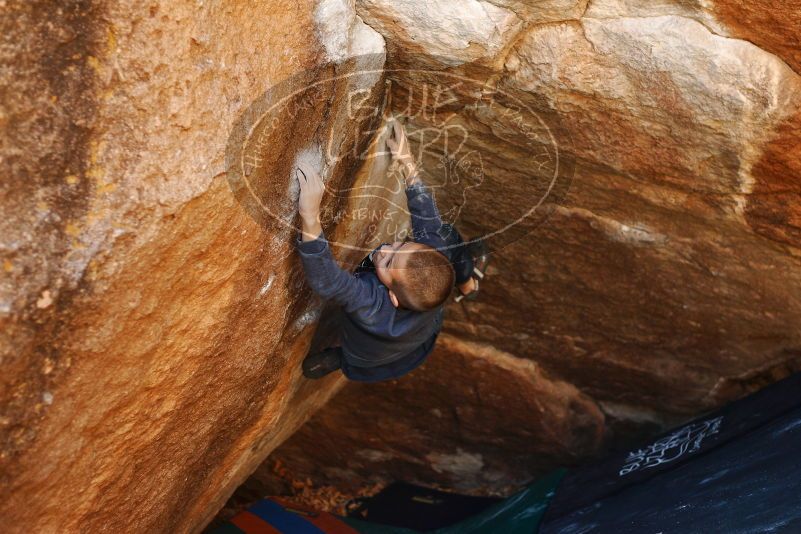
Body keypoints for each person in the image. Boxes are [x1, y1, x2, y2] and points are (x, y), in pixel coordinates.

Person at [295, 120, 489, 381]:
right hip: (418, 332)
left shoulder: (373, 305)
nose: (386, 249)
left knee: (360, 358)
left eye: (387, 263)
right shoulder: (430, 257)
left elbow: (329, 281)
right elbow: (427, 219)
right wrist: (407, 163)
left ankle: (338, 360)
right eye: (401, 244)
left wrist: (310, 217)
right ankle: (467, 283)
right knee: (447, 234)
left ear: (393, 298)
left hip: (369, 355)